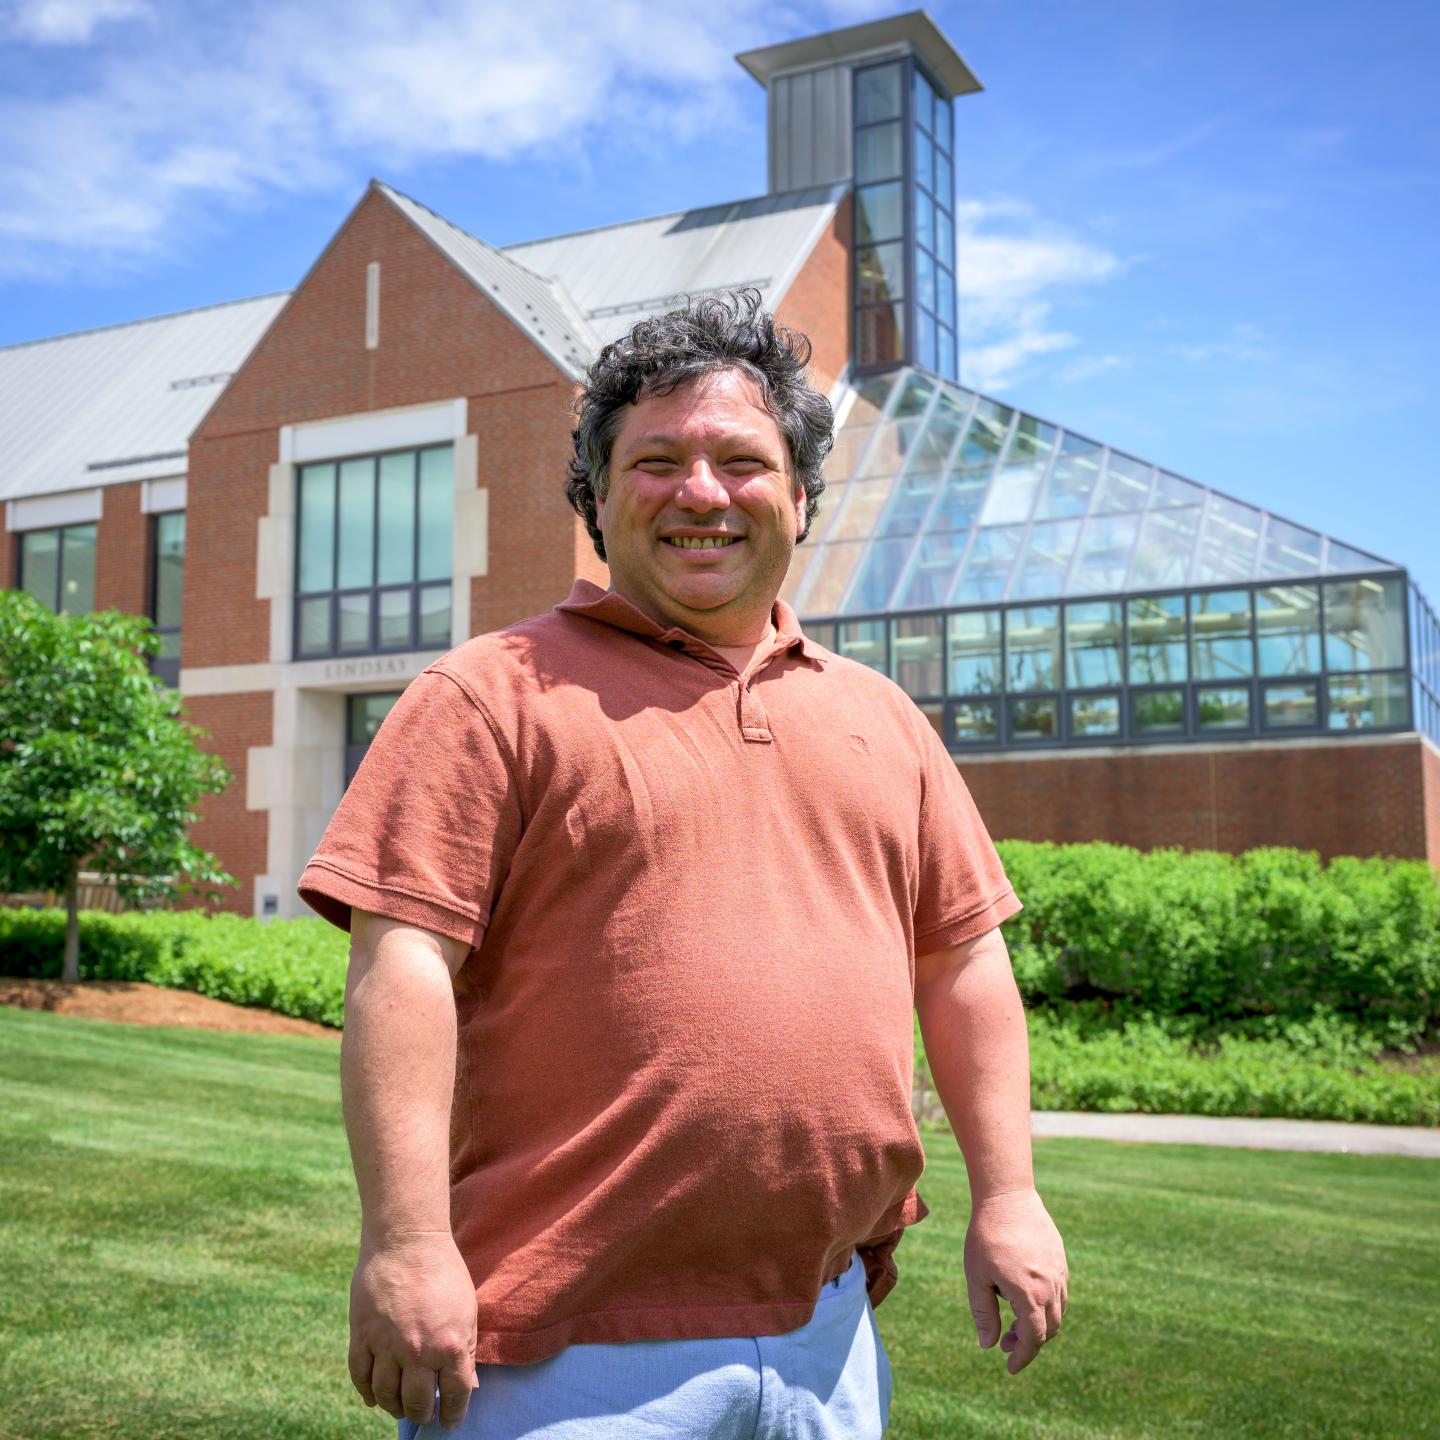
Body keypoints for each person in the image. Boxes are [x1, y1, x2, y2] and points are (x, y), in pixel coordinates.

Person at [298, 290, 1068, 1439]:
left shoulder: (883, 719)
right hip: (561, 1356)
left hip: (829, 1332)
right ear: (597, 501)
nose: (702, 493)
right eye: (655, 461)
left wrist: (1009, 1196)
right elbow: (400, 966)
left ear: (800, 499)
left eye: (742, 461)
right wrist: (405, 1245)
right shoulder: (487, 697)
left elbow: (964, 963)